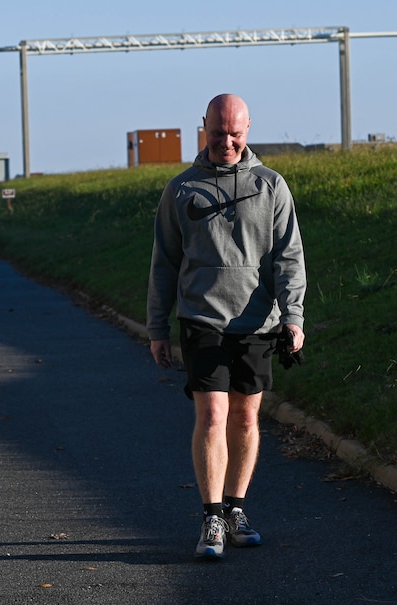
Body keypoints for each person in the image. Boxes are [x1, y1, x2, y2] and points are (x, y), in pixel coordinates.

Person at [146, 94, 306, 560]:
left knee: (245, 417)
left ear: (249, 128)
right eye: (218, 134)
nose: (227, 142)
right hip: (202, 319)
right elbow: (164, 263)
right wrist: (157, 327)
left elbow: (288, 258)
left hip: (257, 322)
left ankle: (237, 509)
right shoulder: (181, 189)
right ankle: (212, 516)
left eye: (236, 134)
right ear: (204, 128)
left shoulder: (271, 186)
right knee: (212, 416)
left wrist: (292, 317)